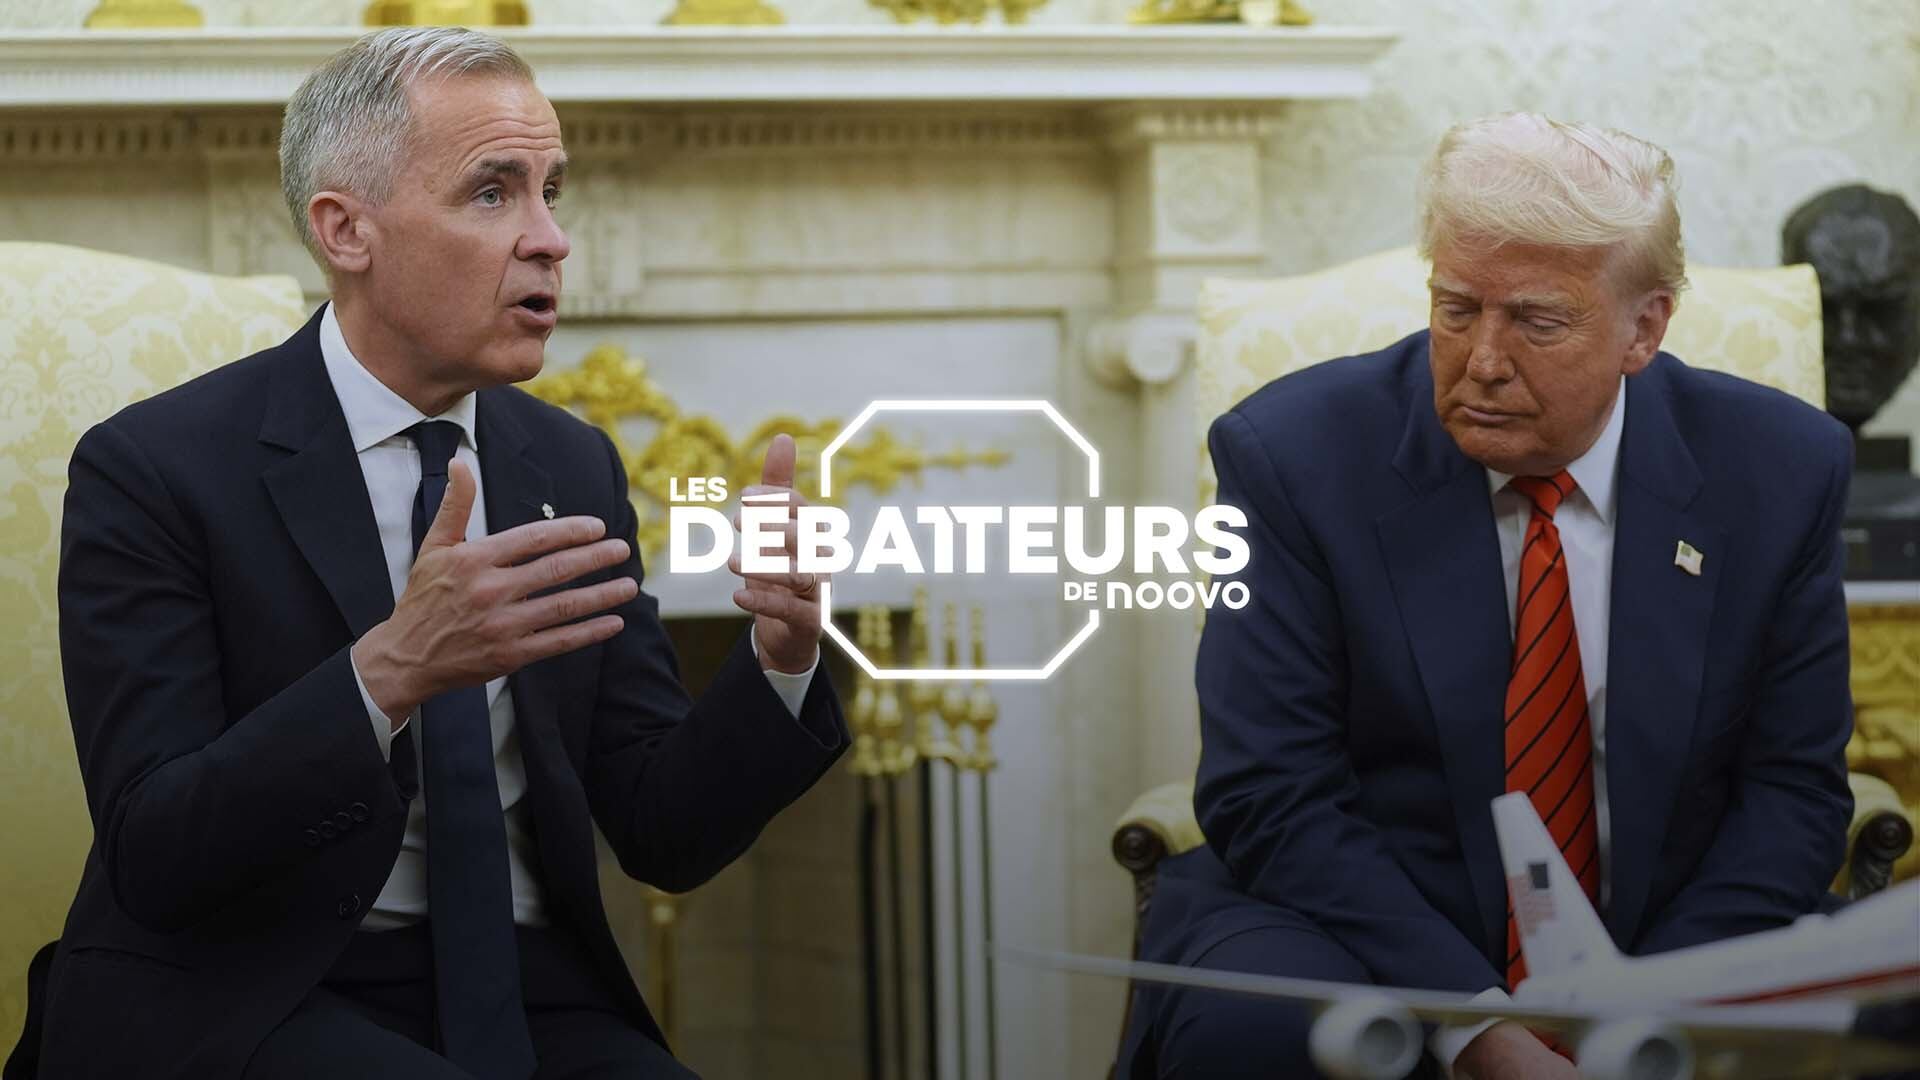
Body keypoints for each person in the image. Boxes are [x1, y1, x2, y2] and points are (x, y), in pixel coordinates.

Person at [33, 27, 844, 1080]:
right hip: (248, 989)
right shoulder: (156, 468)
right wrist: (391, 671)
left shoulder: (572, 464)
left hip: (526, 991)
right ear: (346, 231)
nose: (551, 239)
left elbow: (663, 832)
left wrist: (781, 659)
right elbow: (156, 850)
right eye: (493, 193)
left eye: (553, 191)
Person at [1119, 112, 1855, 1079]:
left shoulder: (1780, 469)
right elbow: (1271, 790)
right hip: (1360, 927)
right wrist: (1478, 1029)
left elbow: (1793, 793)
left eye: (1537, 321)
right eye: (1456, 308)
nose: (1484, 361)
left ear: (1645, 328)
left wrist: (1643, 1014)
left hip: (1672, 929)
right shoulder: (1295, 455)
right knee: (1252, 1034)